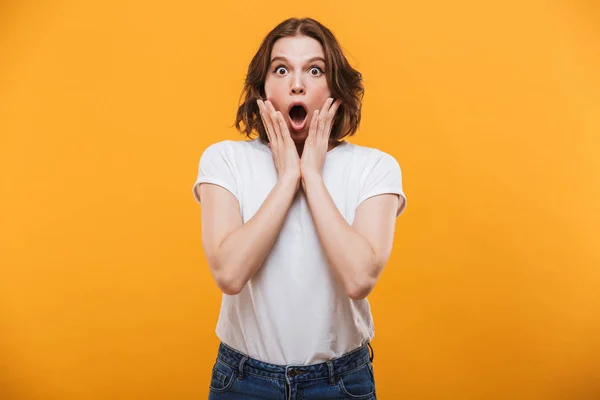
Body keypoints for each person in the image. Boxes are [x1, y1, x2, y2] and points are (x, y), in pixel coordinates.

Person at [192, 17, 407, 400]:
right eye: (281, 69)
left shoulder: (375, 167)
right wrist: (289, 176)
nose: (297, 83)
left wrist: (312, 173)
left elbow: (359, 278)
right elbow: (229, 272)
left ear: (334, 86)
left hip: (341, 382)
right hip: (243, 381)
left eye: (314, 69)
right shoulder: (225, 160)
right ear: (262, 88)